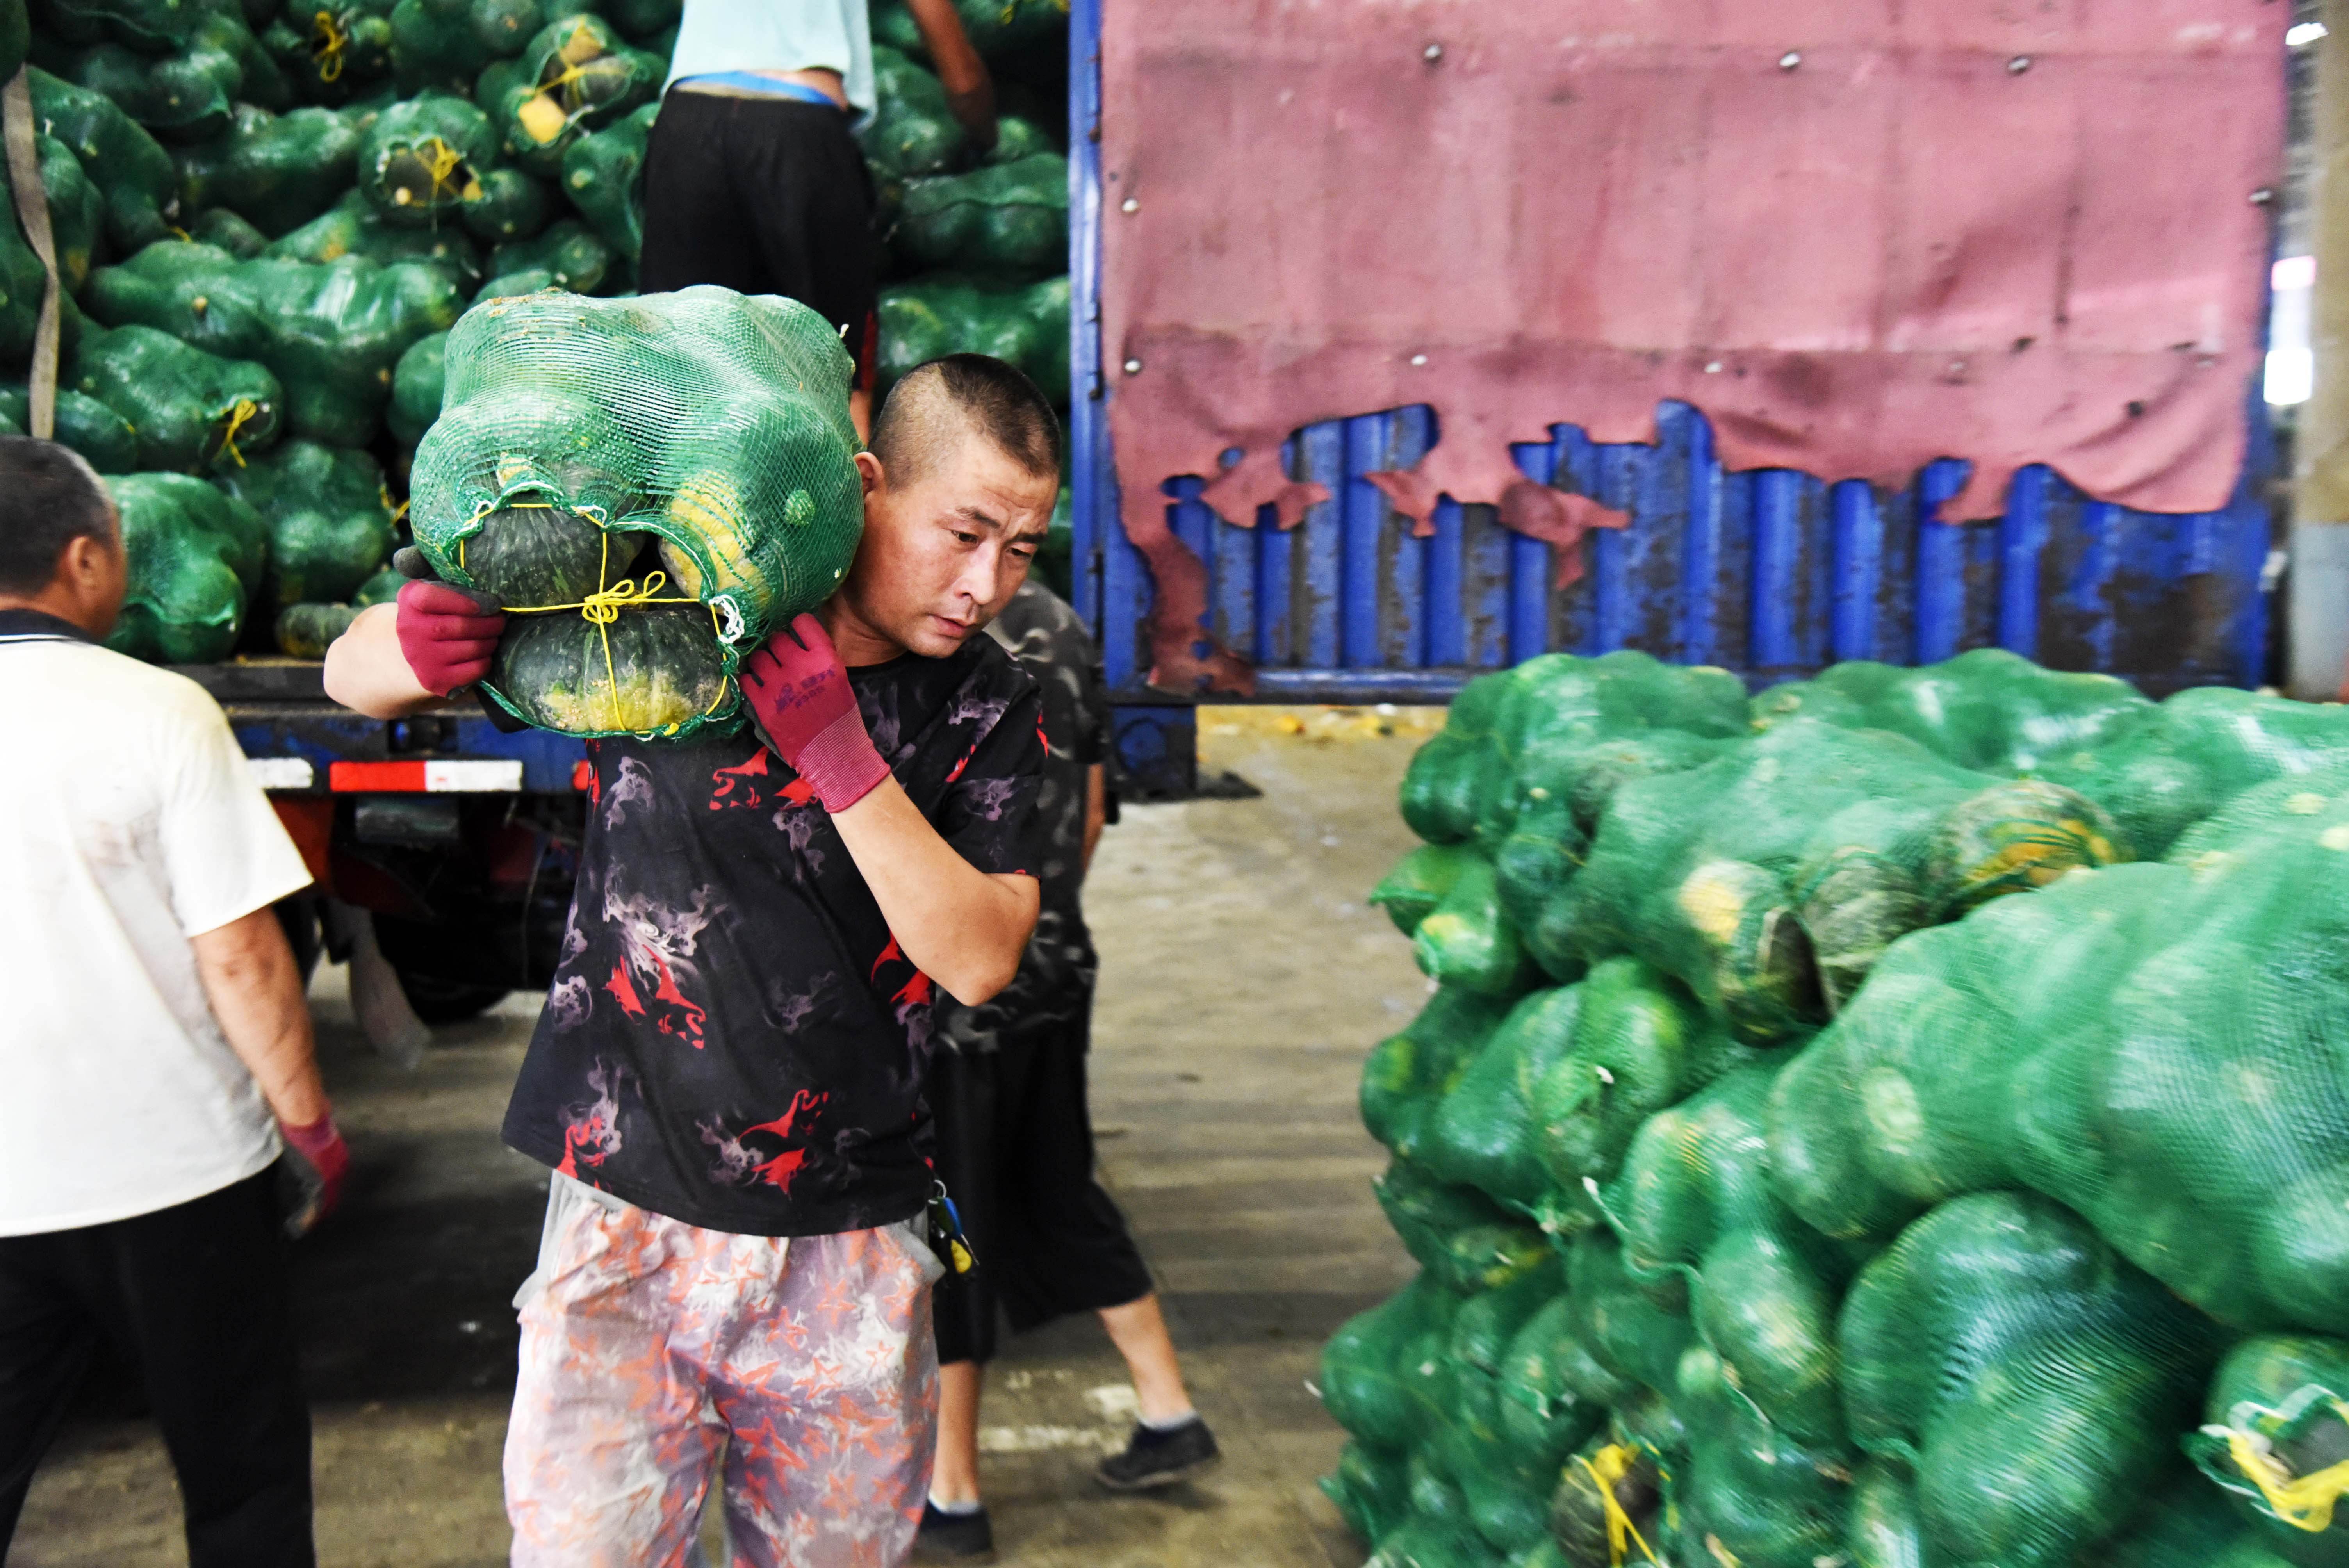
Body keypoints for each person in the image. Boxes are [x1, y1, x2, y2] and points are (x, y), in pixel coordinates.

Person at [323, 353, 1060, 1565]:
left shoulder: (984, 705)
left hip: (846, 1231)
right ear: (867, 485)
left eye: (1021, 548)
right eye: (964, 531)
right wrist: (414, 643)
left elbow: (979, 958)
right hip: (623, 1210)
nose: (985, 583)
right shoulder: (684, 615)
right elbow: (352, 680)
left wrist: (841, 758)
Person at [0, 437, 349, 1568]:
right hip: (179, 1182)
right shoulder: (158, 711)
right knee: (241, 1482)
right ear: (87, 558)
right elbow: (242, 955)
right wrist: (306, 1122)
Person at [917, 578, 1218, 1560]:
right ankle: (1167, 1406)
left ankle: (953, 1491)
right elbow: (1088, 808)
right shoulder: (1059, 624)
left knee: (950, 1232)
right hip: (1050, 963)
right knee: (1056, 1185)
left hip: (950, 1000)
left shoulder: (911, 619)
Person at [641, 0, 997, 437]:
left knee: (676, 372)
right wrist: (985, 134)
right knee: (837, 376)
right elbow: (960, 76)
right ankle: (838, 504)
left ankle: (680, 505)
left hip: (687, 126)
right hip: (797, 125)